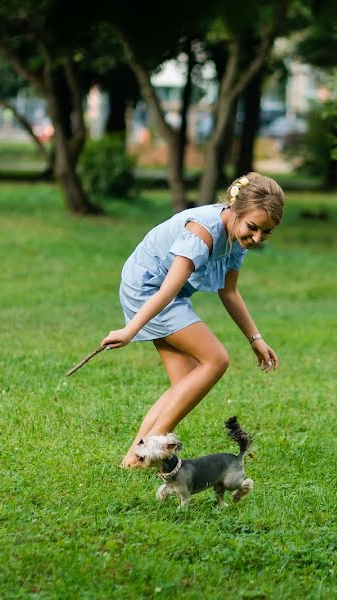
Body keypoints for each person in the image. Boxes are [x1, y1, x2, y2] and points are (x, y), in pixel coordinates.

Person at [102, 172, 285, 469]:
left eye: (266, 233)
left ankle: (133, 458)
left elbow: (230, 292)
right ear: (234, 209)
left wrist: (256, 338)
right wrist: (130, 330)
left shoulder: (237, 238)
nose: (257, 238)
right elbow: (167, 290)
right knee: (216, 359)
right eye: (253, 228)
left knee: (185, 380)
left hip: (164, 293)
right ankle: (146, 452)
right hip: (148, 290)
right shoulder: (203, 231)